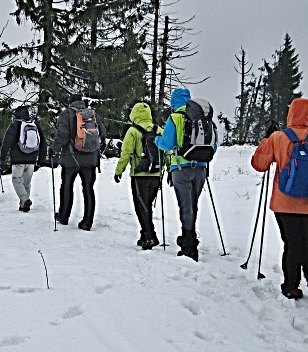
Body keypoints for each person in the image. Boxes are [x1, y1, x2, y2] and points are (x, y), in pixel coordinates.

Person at [251, 98, 308, 299]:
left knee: (291, 242)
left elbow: (259, 164)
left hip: (284, 202)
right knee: (305, 238)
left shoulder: (279, 138)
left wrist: (267, 140)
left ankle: (291, 285)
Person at [154, 88, 216, 260]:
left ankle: (188, 245)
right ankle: (190, 238)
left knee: (185, 206)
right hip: (201, 168)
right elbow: (214, 146)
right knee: (193, 205)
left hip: (180, 168)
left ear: (174, 103)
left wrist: (156, 140)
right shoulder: (203, 118)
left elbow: (166, 144)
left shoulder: (174, 118)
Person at [49, 94, 106, 230]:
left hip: (71, 158)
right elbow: (102, 134)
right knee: (88, 189)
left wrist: (53, 149)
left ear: (70, 102)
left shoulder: (66, 114)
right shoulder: (92, 115)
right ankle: (87, 222)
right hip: (90, 160)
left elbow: (62, 136)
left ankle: (63, 216)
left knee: (67, 186)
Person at [115, 101, 162, 249]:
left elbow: (126, 153)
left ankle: (150, 236)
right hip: (156, 174)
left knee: (141, 207)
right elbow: (167, 151)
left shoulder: (133, 131)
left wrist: (118, 171)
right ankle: (145, 234)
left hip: (139, 175)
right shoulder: (158, 130)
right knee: (147, 206)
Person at [0, 105, 47, 212]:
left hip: (18, 159)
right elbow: (43, 142)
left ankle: (25, 199)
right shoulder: (34, 124)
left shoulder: (15, 125)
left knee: (16, 180)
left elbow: (7, 141)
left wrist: (2, 157)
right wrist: (41, 158)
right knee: (26, 183)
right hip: (31, 159)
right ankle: (24, 206)